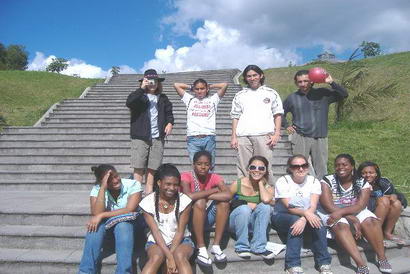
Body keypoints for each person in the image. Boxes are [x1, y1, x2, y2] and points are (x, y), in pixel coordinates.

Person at [318, 154, 391, 274]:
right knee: (340, 225)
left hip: (353, 210)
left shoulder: (361, 181)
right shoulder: (327, 180)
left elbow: (361, 205)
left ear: (352, 166)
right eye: (337, 165)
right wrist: (350, 218)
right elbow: (327, 205)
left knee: (370, 221)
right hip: (332, 210)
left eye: (344, 164)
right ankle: (361, 264)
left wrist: (346, 214)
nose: (340, 167)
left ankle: (382, 258)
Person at [282, 70, 348, 180]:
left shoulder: (323, 93)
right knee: (299, 165)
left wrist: (331, 83)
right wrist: (287, 125)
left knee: (321, 167)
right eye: (300, 82)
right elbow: (280, 113)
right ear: (296, 83)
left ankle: (321, 191)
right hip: (300, 136)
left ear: (312, 81)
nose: (303, 84)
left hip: (320, 136)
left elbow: (344, 94)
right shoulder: (292, 98)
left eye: (305, 81)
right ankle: (304, 190)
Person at [272, 155, 332, 274]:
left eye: (304, 165)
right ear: (290, 168)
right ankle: (292, 264)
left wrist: (304, 218)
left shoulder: (314, 181)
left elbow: (313, 205)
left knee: (318, 224)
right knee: (295, 220)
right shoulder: (283, 181)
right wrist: (305, 215)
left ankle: (324, 263)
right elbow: (289, 207)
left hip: (307, 215)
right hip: (281, 216)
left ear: (308, 167)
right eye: (296, 166)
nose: (300, 169)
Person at [78, 164, 143, 274]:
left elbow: (129, 209)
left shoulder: (133, 184)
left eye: (116, 176)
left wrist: (102, 215)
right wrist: (103, 188)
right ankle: (86, 271)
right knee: (95, 227)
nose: (115, 180)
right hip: (109, 227)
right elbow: (96, 212)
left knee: (123, 225)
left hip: (131, 226)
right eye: (109, 179)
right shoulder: (98, 189)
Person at [230, 65, 283, 185]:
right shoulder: (240, 95)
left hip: (264, 136)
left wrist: (277, 134)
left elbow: (278, 114)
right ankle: (244, 193)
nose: (252, 78)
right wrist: (234, 136)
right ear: (245, 78)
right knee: (244, 168)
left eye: (255, 75)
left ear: (261, 76)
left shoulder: (271, 93)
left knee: (265, 167)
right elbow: (235, 116)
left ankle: (268, 193)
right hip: (243, 136)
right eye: (249, 76)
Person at [139, 164, 194, 274]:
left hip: (182, 240)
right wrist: (168, 256)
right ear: (159, 183)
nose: (172, 188)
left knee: (179, 256)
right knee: (156, 256)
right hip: (156, 242)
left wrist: (171, 256)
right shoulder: (147, 203)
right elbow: (155, 232)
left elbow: (180, 231)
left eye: (175, 185)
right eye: (168, 184)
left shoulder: (184, 201)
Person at [126, 69, 174, 194]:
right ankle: (135, 192)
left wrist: (170, 123)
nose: (152, 83)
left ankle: (149, 191)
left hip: (157, 137)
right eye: (149, 81)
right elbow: (129, 102)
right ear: (144, 81)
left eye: (155, 81)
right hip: (140, 136)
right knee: (139, 166)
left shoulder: (163, 98)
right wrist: (141, 89)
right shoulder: (139, 96)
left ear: (158, 83)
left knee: (154, 167)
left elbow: (169, 113)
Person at [180, 150, 231, 266]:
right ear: (193, 165)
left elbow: (228, 195)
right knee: (200, 201)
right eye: (199, 164)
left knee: (224, 203)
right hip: (189, 219)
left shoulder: (214, 177)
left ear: (210, 166)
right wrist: (211, 191)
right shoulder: (186, 176)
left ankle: (216, 245)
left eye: (206, 164)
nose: (203, 167)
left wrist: (204, 194)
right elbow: (189, 196)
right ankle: (201, 247)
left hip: (205, 217)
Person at [174, 79, 228, 168]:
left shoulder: (213, 100)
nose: (199, 91)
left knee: (209, 165)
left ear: (206, 89)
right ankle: (197, 182)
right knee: (195, 166)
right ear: (194, 90)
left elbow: (225, 85)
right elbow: (176, 84)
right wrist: (191, 87)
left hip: (209, 137)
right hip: (193, 138)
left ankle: (209, 182)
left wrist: (210, 86)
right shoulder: (189, 99)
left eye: (202, 88)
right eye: (197, 89)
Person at [229, 155, 275, 259]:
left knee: (265, 207)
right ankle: (242, 246)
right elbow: (226, 201)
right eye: (253, 167)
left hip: (253, 224)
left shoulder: (268, 188)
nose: (256, 170)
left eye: (261, 168)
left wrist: (260, 184)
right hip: (236, 223)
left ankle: (258, 246)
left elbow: (267, 200)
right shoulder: (238, 183)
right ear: (248, 169)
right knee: (245, 209)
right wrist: (244, 203)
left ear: (266, 171)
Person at [358, 161, 407, 245]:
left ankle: (387, 233)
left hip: (382, 215)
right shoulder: (356, 184)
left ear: (376, 173)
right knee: (384, 200)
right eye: (364, 173)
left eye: (371, 172)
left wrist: (395, 195)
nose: (368, 175)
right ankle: (374, 234)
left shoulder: (383, 183)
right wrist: (384, 198)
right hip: (365, 216)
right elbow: (363, 205)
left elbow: (401, 198)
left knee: (396, 203)